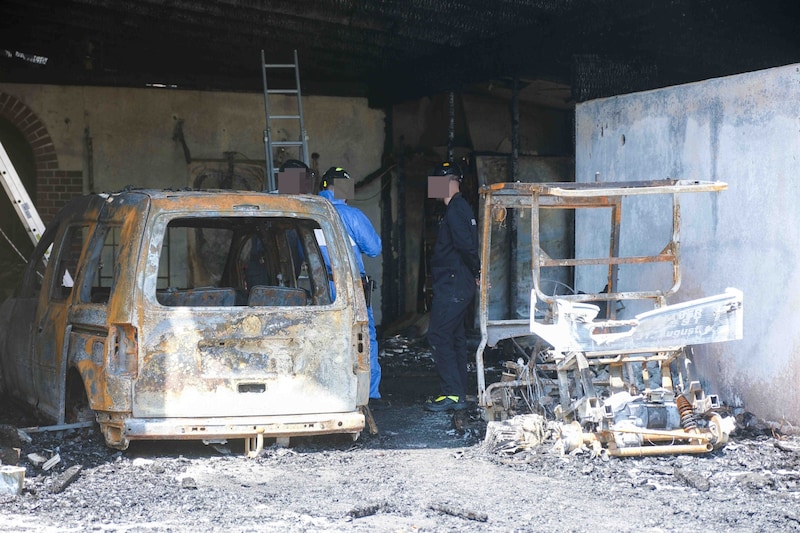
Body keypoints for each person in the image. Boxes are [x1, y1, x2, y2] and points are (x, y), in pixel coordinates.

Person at [318, 166, 384, 405]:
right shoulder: (352, 215)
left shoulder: (311, 214)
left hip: (321, 289)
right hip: (352, 288)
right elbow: (375, 249)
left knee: (325, 338)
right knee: (363, 338)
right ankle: (368, 394)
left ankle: (329, 390)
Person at [424, 161, 480, 412]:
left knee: (439, 334)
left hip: (455, 284)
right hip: (456, 283)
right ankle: (458, 393)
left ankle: (452, 394)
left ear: (448, 183)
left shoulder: (456, 209)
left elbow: (466, 246)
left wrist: (476, 271)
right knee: (455, 336)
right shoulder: (459, 208)